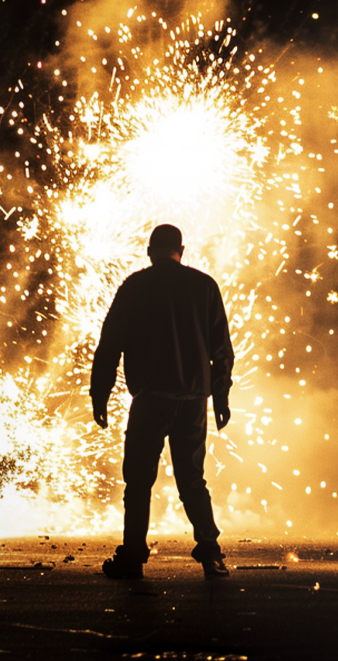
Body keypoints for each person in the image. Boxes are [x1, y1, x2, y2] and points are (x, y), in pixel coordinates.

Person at [90, 224, 234, 579]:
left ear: (150, 250)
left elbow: (109, 345)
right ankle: (211, 552)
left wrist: (100, 393)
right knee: (192, 479)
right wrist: (220, 396)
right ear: (181, 250)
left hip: (151, 398)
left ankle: (133, 557)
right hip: (193, 400)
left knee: (138, 481)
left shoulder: (135, 287)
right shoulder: (205, 287)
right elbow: (222, 350)